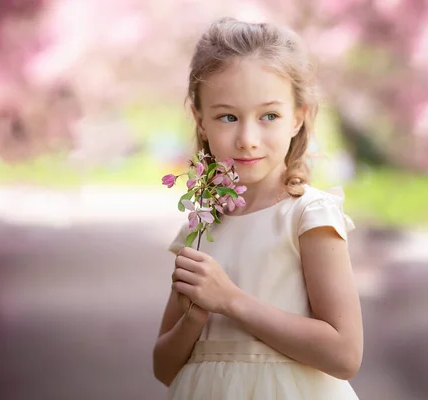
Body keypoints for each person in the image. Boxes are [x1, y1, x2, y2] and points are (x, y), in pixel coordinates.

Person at [153, 17, 363, 399]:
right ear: (201, 121)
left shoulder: (308, 216)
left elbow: (345, 354)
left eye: (269, 116)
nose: (248, 140)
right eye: (227, 117)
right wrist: (196, 316)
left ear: (298, 117)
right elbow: (164, 368)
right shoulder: (201, 227)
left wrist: (230, 301)